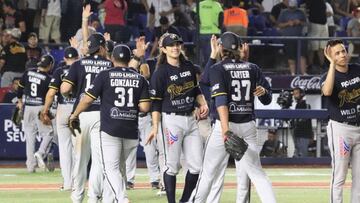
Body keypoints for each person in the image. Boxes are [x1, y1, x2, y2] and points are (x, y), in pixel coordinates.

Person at [191, 31, 276, 203]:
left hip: (226, 125)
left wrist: (225, 130)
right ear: (240, 48)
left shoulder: (218, 68)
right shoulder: (252, 68)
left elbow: (220, 99)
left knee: (208, 173)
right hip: (248, 127)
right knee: (256, 175)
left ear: (221, 47)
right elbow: (267, 99)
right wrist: (264, 92)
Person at [68, 43, 150, 203]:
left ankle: (122, 198)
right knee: (118, 168)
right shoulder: (139, 78)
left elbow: (87, 100)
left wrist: (75, 114)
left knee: (109, 168)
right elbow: (145, 107)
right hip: (131, 131)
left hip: (110, 129)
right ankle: (109, 200)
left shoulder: (105, 75)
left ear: (112, 58)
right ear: (129, 59)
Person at [146, 33, 209, 203]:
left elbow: (195, 89)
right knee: (171, 166)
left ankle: (184, 200)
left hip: (190, 118)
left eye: (177, 44)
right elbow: (156, 103)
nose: (175, 47)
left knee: (196, 166)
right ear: (163, 49)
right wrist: (154, 127)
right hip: (171, 121)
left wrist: (203, 102)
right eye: (171, 44)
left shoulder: (188, 66)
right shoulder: (160, 73)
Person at [60, 33, 113, 203]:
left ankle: (77, 196)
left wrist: (76, 87)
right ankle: (94, 197)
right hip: (102, 115)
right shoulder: (109, 64)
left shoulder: (78, 64)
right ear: (102, 47)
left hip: (81, 115)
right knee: (98, 160)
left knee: (80, 159)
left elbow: (64, 89)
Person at [322, 39, 360, 203]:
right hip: (340, 129)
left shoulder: (357, 69)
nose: (342, 55)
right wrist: (331, 65)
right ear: (330, 56)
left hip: (359, 128)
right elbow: (328, 91)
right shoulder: (327, 76)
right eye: (337, 53)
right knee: (339, 176)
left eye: (343, 51)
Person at [41, 46, 79, 191]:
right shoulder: (80, 68)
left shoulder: (59, 71)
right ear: (77, 58)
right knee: (78, 149)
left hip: (62, 110)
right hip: (77, 109)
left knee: (64, 149)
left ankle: (68, 183)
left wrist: (45, 110)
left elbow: (51, 94)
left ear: (64, 59)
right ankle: (77, 182)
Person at [16, 54, 55, 173]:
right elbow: (50, 96)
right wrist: (47, 110)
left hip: (28, 107)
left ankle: (30, 166)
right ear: (50, 65)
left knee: (30, 137)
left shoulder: (28, 72)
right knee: (49, 133)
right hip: (40, 107)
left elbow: (19, 88)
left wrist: (19, 102)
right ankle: (40, 152)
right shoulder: (48, 78)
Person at [277, 0, 307, 75]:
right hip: (288, 38)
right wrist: (288, 23)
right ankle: (293, 73)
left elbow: (306, 23)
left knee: (302, 55)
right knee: (291, 57)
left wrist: (299, 22)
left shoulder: (301, 12)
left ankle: (303, 73)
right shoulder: (283, 12)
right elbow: (279, 25)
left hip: (300, 38)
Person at [292, 87, 313, 157]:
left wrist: (311, 136)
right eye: (294, 94)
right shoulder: (297, 105)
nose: (295, 95)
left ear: (301, 94)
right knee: (297, 155)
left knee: (303, 156)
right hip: (297, 134)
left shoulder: (306, 105)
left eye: (296, 93)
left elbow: (306, 121)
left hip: (305, 135)